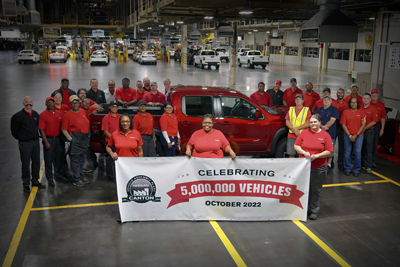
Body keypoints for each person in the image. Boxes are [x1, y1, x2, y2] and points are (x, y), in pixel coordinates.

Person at [294, 114, 333, 220]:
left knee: (315, 189)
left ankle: (313, 210)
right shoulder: (304, 133)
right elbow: (296, 145)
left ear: (320, 123)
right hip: (303, 167)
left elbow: (329, 150)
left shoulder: (325, 135)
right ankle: (303, 209)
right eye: (311, 122)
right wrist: (303, 152)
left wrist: (317, 156)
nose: (313, 124)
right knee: (303, 188)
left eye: (315, 122)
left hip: (318, 167)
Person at [11, 96, 46, 193]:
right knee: (25, 164)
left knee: (36, 162)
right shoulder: (17, 116)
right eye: (26, 102)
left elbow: (38, 127)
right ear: (23, 103)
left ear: (32, 103)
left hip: (35, 142)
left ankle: (35, 181)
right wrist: (22, 138)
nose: (28, 104)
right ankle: (26, 184)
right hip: (25, 143)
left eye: (30, 102)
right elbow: (14, 131)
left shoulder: (35, 114)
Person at [61, 95, 91, 187]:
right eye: (73, 103)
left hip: (84, 139)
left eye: (77, 103)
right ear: (71, 104)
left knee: (81, 159)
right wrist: (71, 139)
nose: (75, 105)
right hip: (75, 139)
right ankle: (76, 179)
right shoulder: (68, 115)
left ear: (79, 103)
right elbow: (64, 129)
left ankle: (81, 176)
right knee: (75, 160)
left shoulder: (82, 111)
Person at [39, 97, 65, 187]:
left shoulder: (59, 113)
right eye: (48, 103)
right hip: (49, 139)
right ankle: (50, 179)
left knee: (59, 159)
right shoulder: (42, 115)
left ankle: (58, 175)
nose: (50, 104)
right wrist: (46, 142)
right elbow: (41, 130)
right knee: (49, 160)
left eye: (52, 103)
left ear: (54, 104)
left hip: (58, 139)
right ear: (46, 104)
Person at [340, 97, 366, 177]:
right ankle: (347, 168)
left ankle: (356, 169)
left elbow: (363, 124)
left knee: (357, 152)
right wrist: (349, 135)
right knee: (347, 152)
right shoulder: (345, 112)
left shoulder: (362, 112)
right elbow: (343, 124)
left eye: (355, 102)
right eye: (352, 102)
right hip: (348, 135)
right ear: (349, 104)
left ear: (357, 103)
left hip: (359, 136)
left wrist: (356, 135)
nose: (353, 104)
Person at [316, 95, 339, 170]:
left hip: (331, 133)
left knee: (330, 149)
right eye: (325, 100)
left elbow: (332, 120)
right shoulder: (319, 110)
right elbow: (316, 120)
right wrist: (323, 127)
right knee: (321, 148)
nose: (326, 101)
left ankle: (329, 165)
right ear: (323, 101)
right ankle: (322, 164)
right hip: (320, 133)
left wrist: (326, 127)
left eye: (328, 100)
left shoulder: (334, 109)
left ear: (331, 101)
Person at [102, 101, 121, 180]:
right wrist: (114, 140)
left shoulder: (121, 117)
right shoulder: (106, 118)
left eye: (116, 107)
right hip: (111, 142)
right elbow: (106, 131)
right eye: (113, 107)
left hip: (120, 142)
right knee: (111, 159)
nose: (114, 108)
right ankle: (111, 176)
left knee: (119, 159)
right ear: (109, 107)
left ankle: (118, 176)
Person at [361, 93, 379, 173]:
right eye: (364, 98)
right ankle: (360, 163)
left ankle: (368, 166)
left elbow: (374, 121)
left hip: (369, 131)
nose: (365, 100)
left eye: (367, 98)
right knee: (359, 148)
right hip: (360, 131)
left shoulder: (373, 109)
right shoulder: (359, 107)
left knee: (368, 148)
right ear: (362, 99)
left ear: (370, 99)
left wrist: (364, 128)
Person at [370, 88, 386, 167]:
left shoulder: (381, 105)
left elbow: (383, 117)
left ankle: (372, 160)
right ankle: (365, 159)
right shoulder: (367, 103)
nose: (374, 96)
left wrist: (382, 129)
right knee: (366, 143)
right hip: (367, 125)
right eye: (373, 94)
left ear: (378, 95)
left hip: (376, 126)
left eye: (376, 94)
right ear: (371, 95)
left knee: (374, 143)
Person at [335, 88, 348, 170]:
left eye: (341, 93)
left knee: (342, 146)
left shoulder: (347, 104)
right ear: (336, 94)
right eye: (338, 93)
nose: (340, 94)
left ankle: (340, 163)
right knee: (331, 145)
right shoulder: (333, 103)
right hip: (333, 127)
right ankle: (330, 162)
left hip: (342, 127)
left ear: (344, 94)